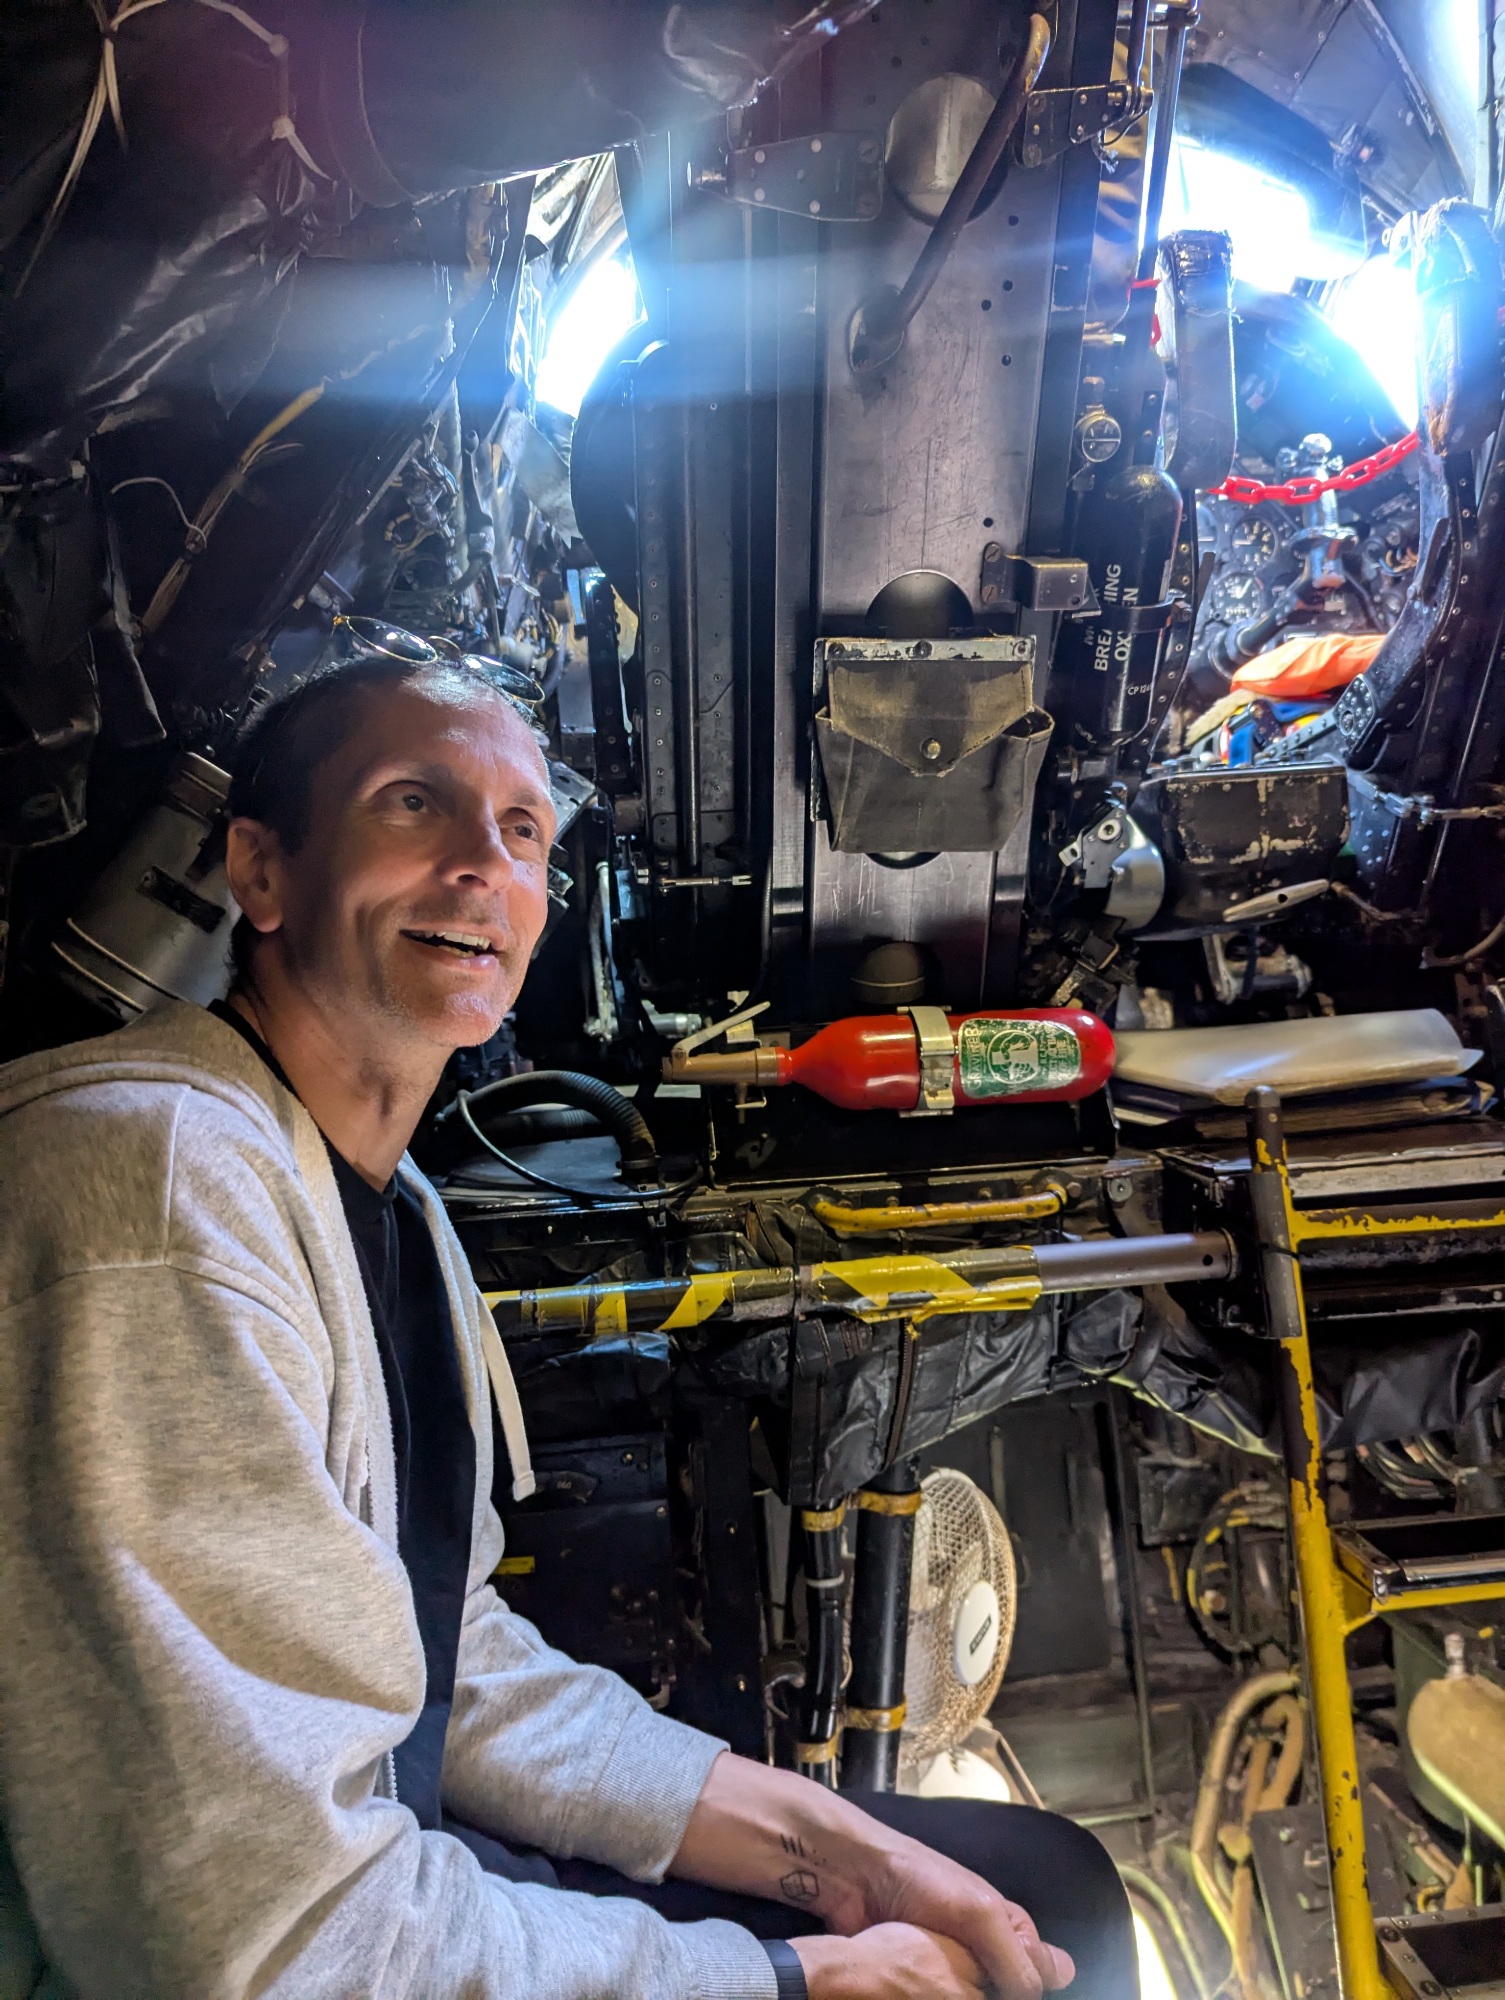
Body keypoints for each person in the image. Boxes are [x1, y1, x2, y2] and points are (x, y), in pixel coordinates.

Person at [0, 653, 1137, 2000]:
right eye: (412, 802)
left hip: (358, 1871)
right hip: (251, 1943)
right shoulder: (155, 1194)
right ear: (261, 872)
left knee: (1037, 1887)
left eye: (523, 829)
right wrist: (792, 1977)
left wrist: (845, 1859)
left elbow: (450, 1658)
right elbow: (264, 1943)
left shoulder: (393, 1207)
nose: (482, 866)